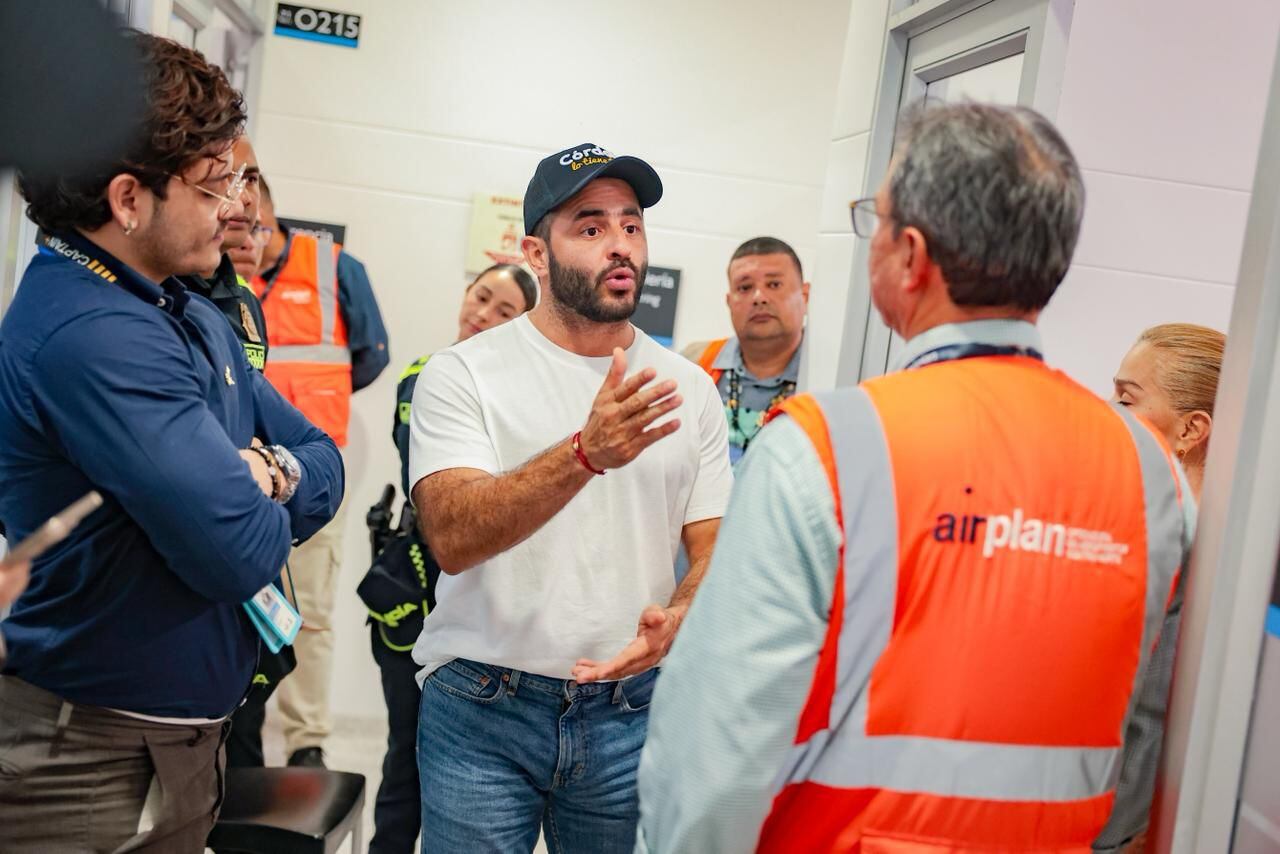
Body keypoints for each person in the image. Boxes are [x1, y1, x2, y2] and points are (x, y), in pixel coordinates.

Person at [635, 102, 1195, 852]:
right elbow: (1145, 726)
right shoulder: (1148, 469)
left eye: (876, 218)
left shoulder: (826, 447)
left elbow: (717, 746)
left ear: (911, 255)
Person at [0, 32, 343, 852]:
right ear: (128, 200)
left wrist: (264, 469)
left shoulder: (180, 311)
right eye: (213, 183)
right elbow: (240, 554)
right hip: (91, 759)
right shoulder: (94, 336)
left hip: (176, 742)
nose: (237, 208)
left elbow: (323, 463)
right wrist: (267, 493)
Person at [408, 142, 733, 852]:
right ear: (537, 252)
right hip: (482, 706)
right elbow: (453, 538)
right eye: (590, 227)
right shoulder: (462, 374)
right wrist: (584, 455)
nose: (619, 245)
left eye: (631, 225)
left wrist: (680, 617)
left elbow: (715, 551)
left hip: (629, 712)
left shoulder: (691, 388)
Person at [361, 262, 538, 854]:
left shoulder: (526, 390)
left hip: (496, 598)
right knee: (406, 748)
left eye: (504, 310)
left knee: (472, 771)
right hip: (417, 583)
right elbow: (446, 492)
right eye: (481, 297)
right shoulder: (425, 375)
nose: (483, 315)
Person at [251, 176, 391, 767]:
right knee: (239, 603)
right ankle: (242, 735)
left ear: (272, 217)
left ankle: (306, 738)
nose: (239, 238)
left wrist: (317, 405)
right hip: (235, 469)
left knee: (310, 612)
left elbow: (372, 354)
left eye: (250, 225)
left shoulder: (336, 268)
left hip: (313, 470)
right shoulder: (209, 273)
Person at [1096, 322, 1225, 852]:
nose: (1110, 411)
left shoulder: (1212, 558)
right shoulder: (1131, 526)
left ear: (1192, 430)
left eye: (1127, 399)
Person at [682, 236, 809, 464]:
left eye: (774, 284)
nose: (759, 297)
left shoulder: (830, 377)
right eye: (745, 287)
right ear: (730, 302)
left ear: (805, 295)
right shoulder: (694, 362)